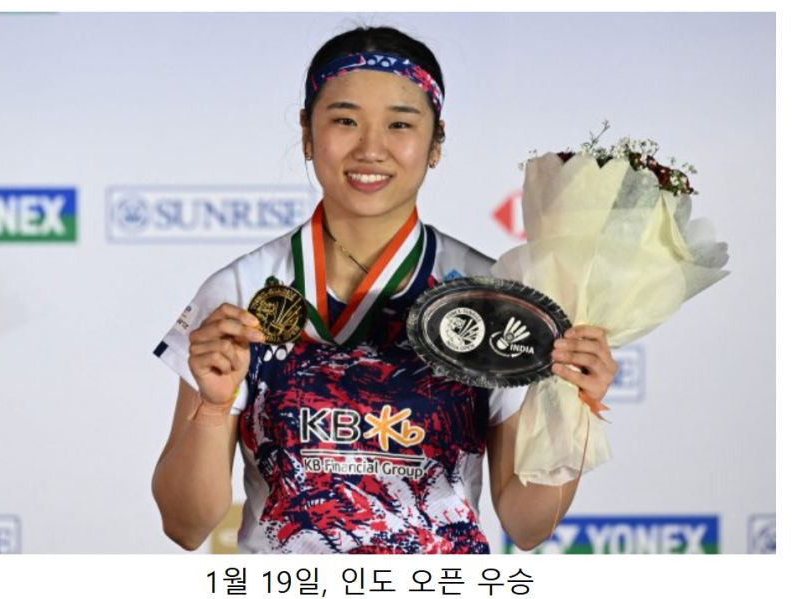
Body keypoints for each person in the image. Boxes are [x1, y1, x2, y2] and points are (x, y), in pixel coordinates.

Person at [151, 26, 617, 554]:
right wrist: (213, 410)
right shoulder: (240, 291)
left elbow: (527, 525)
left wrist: (573, 405)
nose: (370, 149)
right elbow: (185, 526)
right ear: (307, 133)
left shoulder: (493, 302)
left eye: (400, 124)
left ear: (436, 143)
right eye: (345, 120)